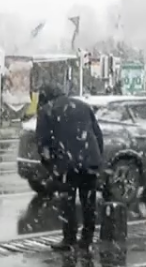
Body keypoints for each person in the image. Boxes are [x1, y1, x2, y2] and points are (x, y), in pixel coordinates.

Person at [35, 83, 104, 250]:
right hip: (89, 160)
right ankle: (87, 239)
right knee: (88, 202)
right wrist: (96, 158)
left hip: (66, 164)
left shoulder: (47, 111)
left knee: (67, 202)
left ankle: (69, 238)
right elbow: (98, 135)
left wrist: (50, 167)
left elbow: (43, 143)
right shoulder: (83, 105)